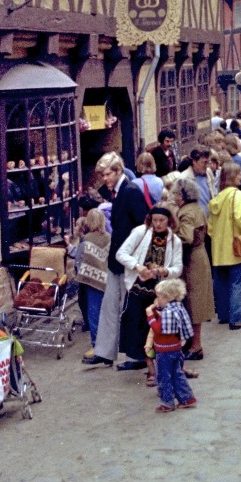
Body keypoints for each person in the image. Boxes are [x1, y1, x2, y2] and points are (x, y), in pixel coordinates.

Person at [84, 154, 150, 366]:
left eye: (108, 174)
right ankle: (104, 351)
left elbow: (143, 226)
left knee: (128, 307)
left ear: (119, 171)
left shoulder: (130, 192)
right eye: (102, 174)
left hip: (128, 260)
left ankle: (135, 355)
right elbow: (102, 191)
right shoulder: (119, 190)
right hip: (117, 259)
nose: (104, 178)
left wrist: (135, 258)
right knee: (110, 305)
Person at [114, 207, 184, 370]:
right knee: (134, 321)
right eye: (155, 220)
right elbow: (121, 253)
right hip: (138, 285)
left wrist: (165, 271)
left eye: (162, 220)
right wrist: (137, 266)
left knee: (155, 326)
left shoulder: (174, 241)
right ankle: (135, 358)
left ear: (169, 221)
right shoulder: (140, 232)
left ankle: (156, 359)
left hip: (159, 290)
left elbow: (178, 267)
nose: (158, 224)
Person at [207, 162, 241, 329]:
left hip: (219, 250)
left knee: (221, 283)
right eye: (238, 174)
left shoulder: (217, 198)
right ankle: (237, 318)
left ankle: (224, 314)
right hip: (235, 248)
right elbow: (240, 217)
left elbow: (211, 228)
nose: (240, 177)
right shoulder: (236, 195)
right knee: (237, 283)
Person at [173, 176, 213, 358]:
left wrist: (170, 239)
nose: (174, 196)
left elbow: (186, 238)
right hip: (199, 256)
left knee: (194, 303)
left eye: (175, 193)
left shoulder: (186, 212)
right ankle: (192, 343)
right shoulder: (196, 208)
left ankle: (195, 346)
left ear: (182, 195)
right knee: (193, 302)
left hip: (192, 260)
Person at [146, 278, 197, 412]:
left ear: (167, 297)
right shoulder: (178, 308)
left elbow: (159, 329)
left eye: (159, 297)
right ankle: (187, 398)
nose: (157, 300)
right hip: (176, 349)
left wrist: (150, 316)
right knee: (177, 374)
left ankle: (167, 402)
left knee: (164, 377)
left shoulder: (168, 312)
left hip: (164, 351)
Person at [74, 208, 110, 346]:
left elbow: (79, 258)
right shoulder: (108, 237)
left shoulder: (86, 240)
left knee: (93, 312)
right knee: (104, 311)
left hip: (90, 280)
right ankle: (107, 341)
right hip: (105, 278)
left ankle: (97, 344)